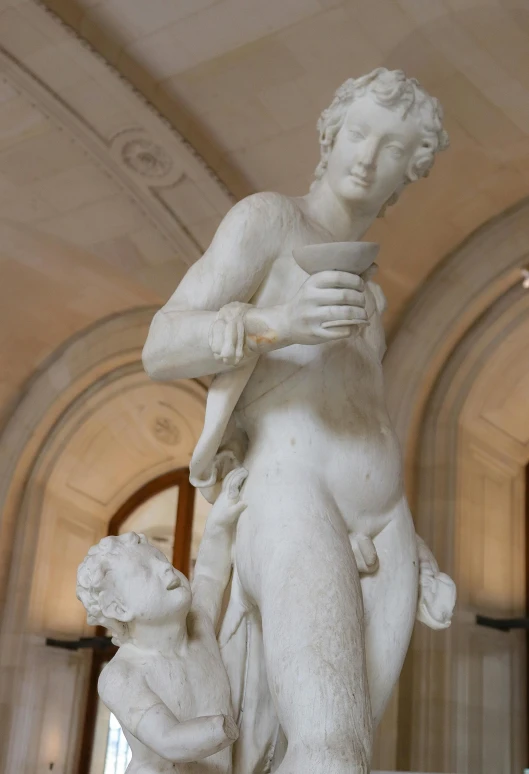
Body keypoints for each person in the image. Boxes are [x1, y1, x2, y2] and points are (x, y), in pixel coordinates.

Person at [142, 68, 450, 774]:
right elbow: (159, 345)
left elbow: (358, 412)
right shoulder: (268, 221)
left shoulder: (369, 295)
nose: (368, 157)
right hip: (291, 500)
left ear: (411, 173)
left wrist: (419, 549)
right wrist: (273, 323)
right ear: (330, 135)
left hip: (382, 527)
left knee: (342, 752)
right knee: (330, 750)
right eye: (359, 132)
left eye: (394, 147)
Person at [76, 468, 248, 774]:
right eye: (147, 572)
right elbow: (168, 740)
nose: (167, 571)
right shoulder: (121, 675)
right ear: (119, 608)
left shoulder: (198, 625)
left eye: (162, 560)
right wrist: (229, 728)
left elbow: (209, 573)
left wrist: (221, 518)